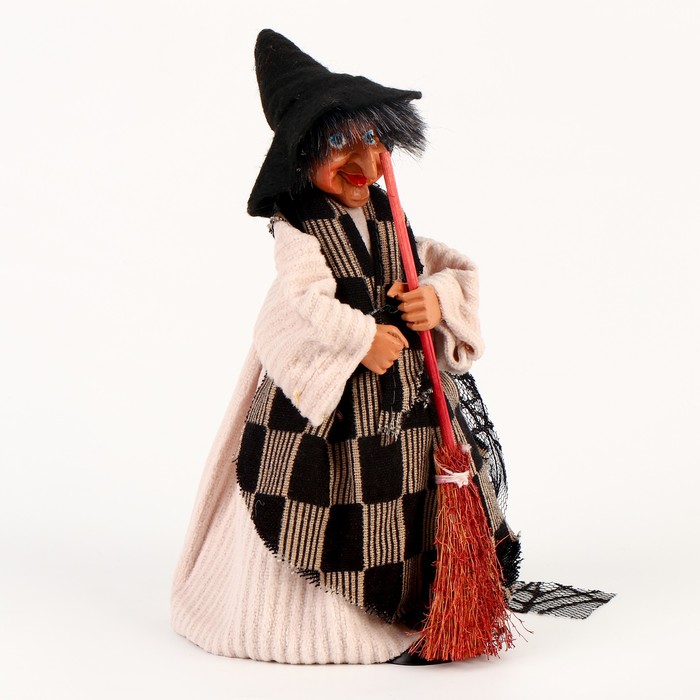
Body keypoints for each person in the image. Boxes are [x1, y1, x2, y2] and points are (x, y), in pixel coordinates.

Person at [171, 28, 611, 666]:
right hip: (328, 404)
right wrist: (358, 338)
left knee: (408, 495)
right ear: (300, 156)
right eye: (340, 145)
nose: (364, 161)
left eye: (374, 141)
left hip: (405, 405)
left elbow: (441, 265)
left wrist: (436, 298)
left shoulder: (388, 216)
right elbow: (295, 302)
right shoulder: (300, 229)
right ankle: (319, 616)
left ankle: (425, 598)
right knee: (325, 497)